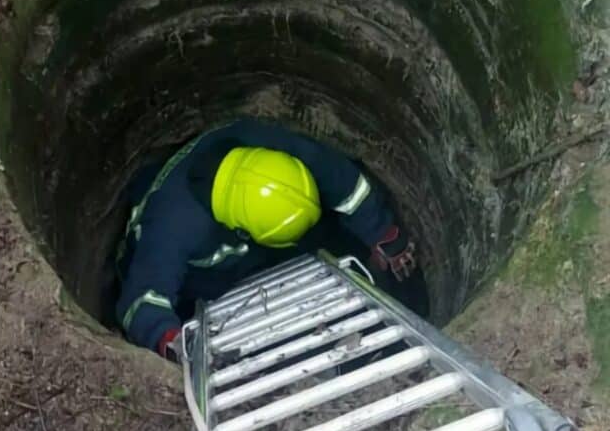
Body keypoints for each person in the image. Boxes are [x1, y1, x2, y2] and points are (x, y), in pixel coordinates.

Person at [115, 118, 420, 360]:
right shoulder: (172, 228)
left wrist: (382, 233)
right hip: (199, 279)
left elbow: (344, 183)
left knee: (321, 236)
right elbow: (141, 298)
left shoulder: (272, 149)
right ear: (243, 233)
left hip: (251, 240)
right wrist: (171, 339)